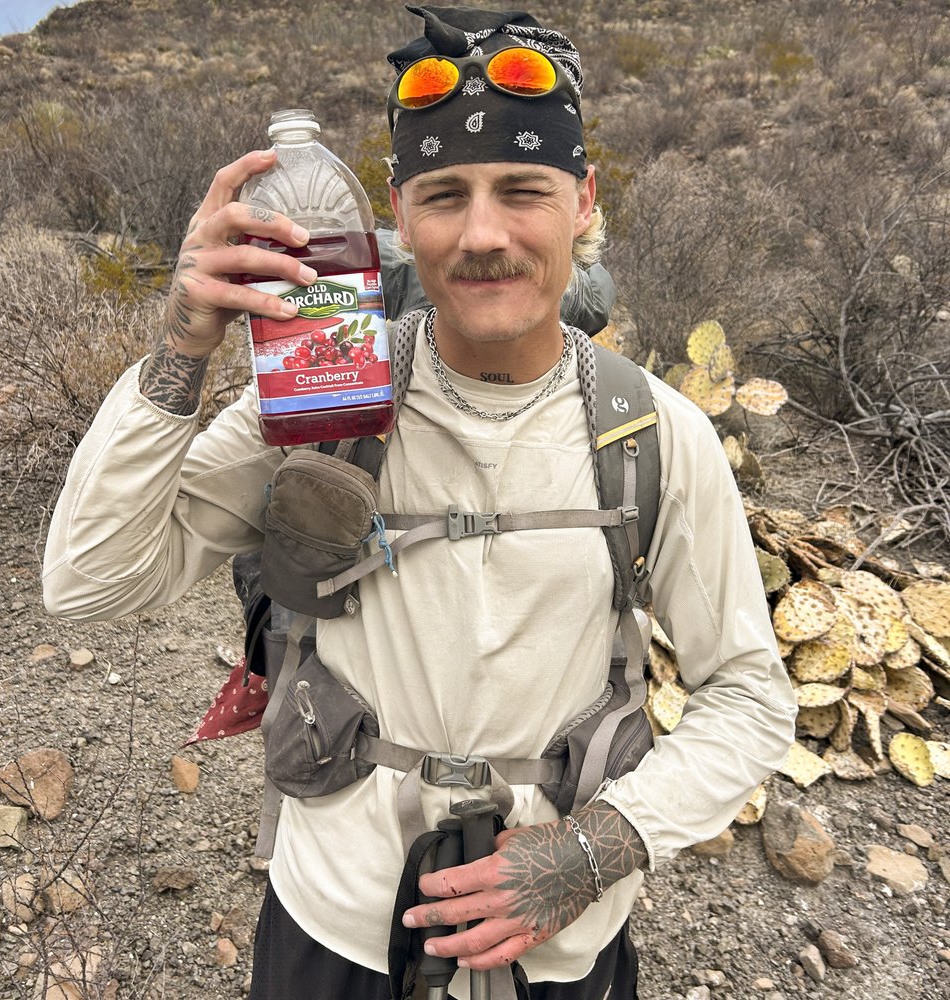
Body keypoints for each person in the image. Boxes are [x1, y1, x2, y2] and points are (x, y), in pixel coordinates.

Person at [43, 6, 797, 999]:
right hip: (332, 931)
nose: (482, 234)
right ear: (398, 214)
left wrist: (601, 845)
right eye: (444, 195)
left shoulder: (653, 434)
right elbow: (88, 583)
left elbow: (748, 693)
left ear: (582, 200)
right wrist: (182, 347)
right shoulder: (322, 399)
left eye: (522, 189)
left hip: (559, 949)